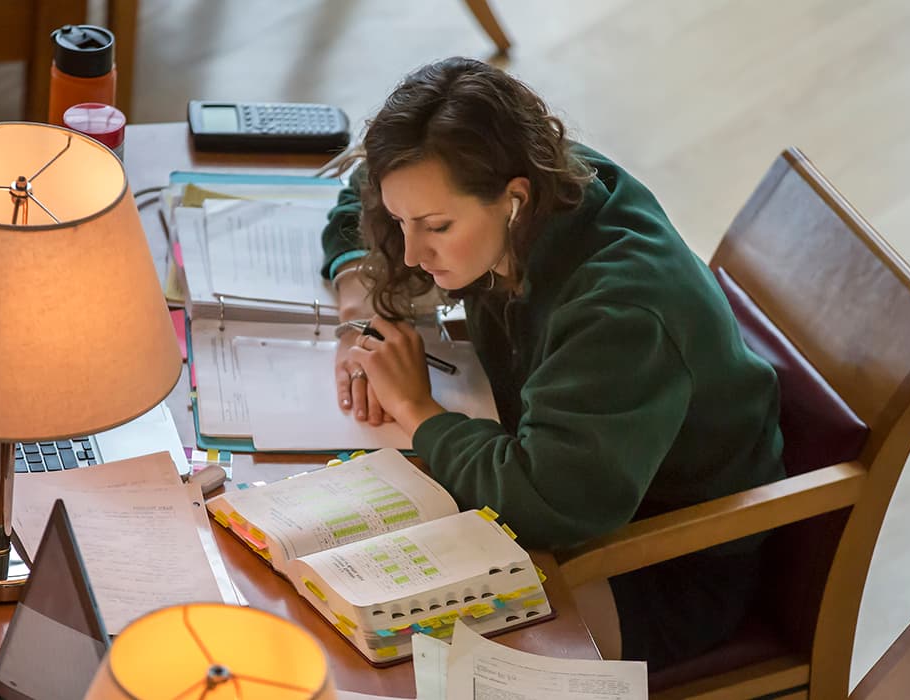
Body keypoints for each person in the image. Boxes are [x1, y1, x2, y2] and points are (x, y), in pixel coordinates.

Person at [320, 56, 785, 667]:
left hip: (651, 557)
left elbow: (550, 503)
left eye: (436, 226)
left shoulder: (621, 312)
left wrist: (418, 410)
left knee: (393, 658)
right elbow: (361, 192)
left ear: (514, 201)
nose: (409, 251)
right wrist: (360, 299)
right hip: (567, 476)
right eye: (403, 221)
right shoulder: (530, 170)